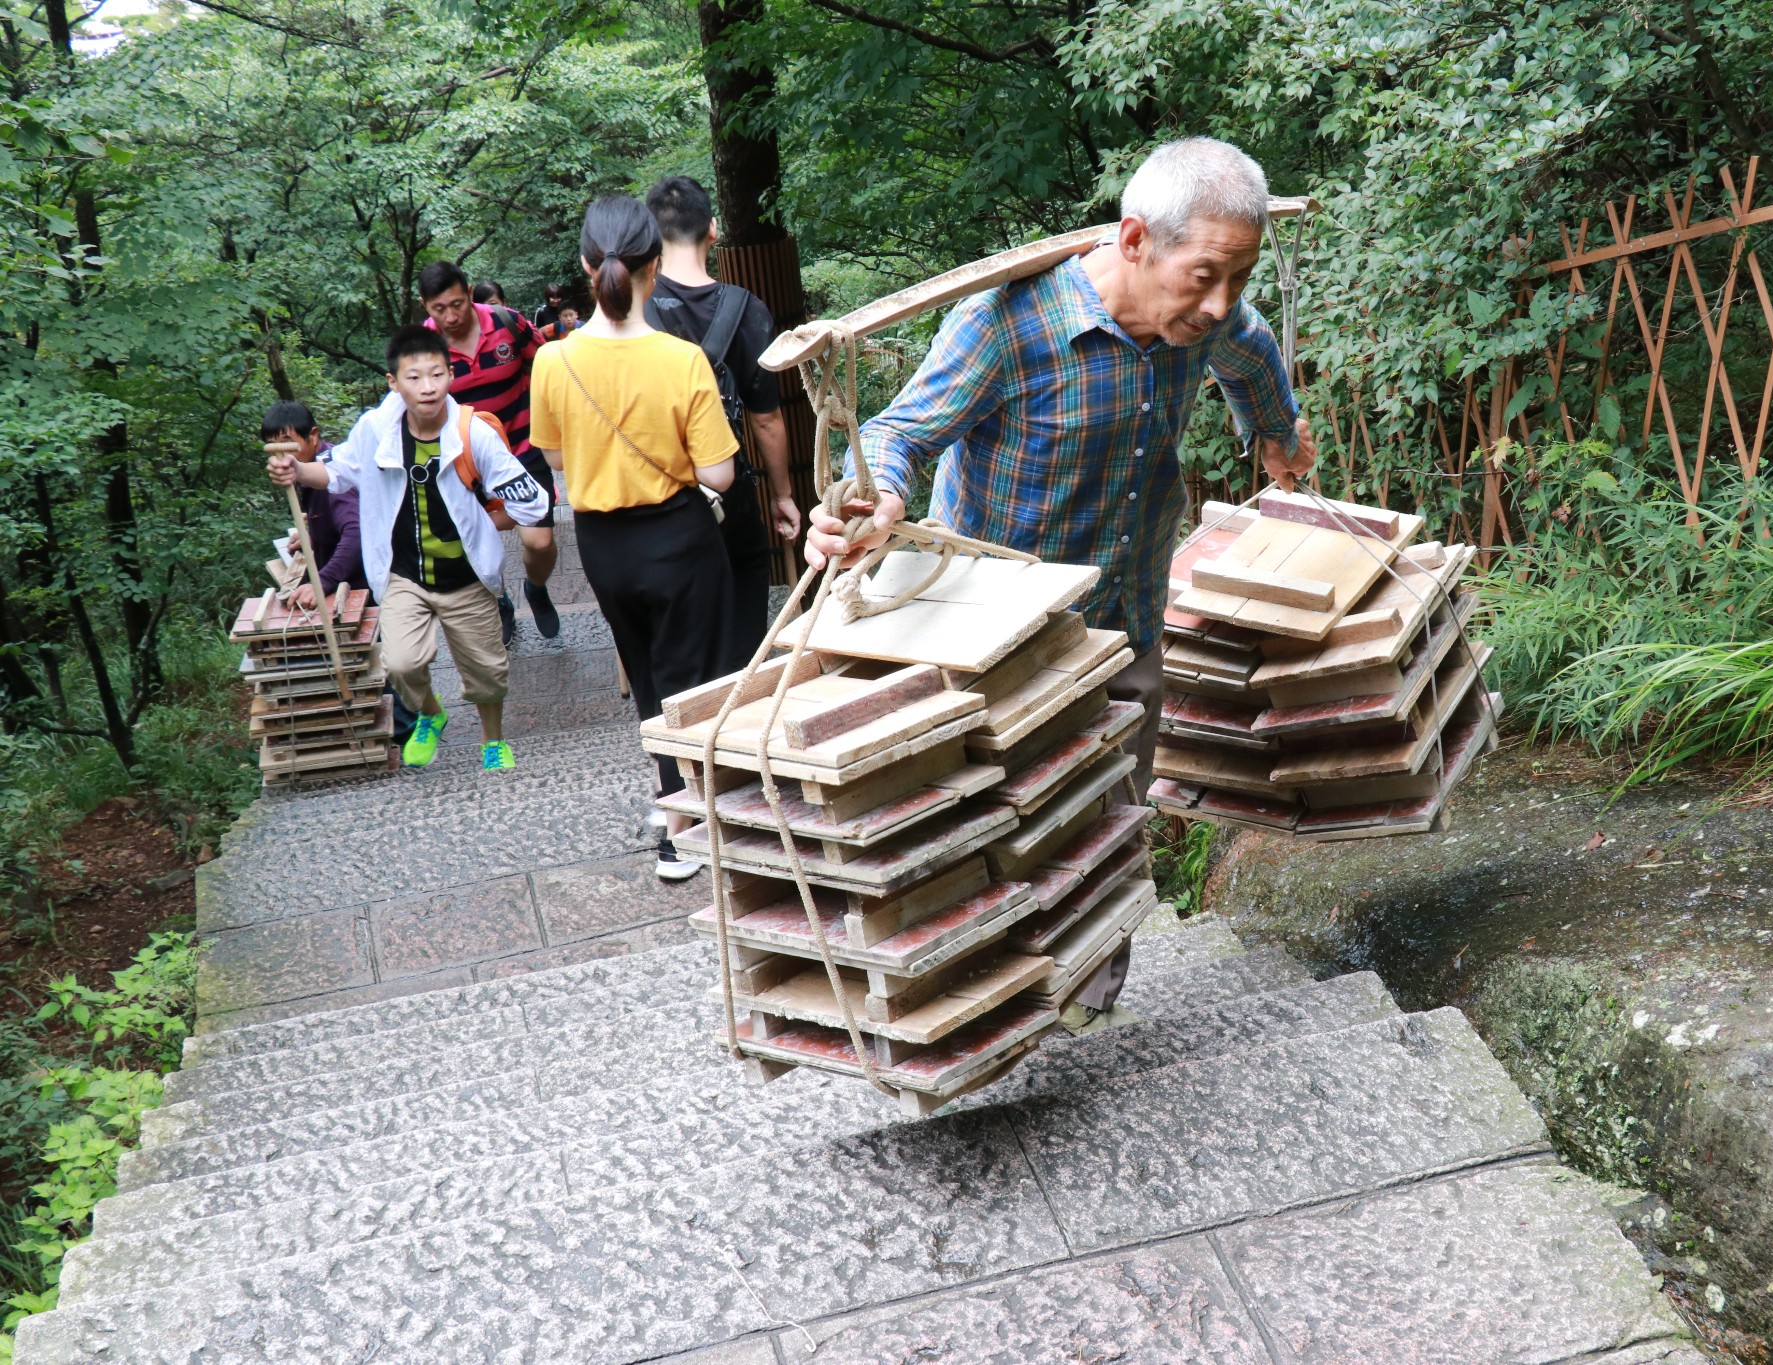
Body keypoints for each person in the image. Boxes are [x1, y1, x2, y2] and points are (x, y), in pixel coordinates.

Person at [806, 137, 1315, 1021]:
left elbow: (1254, 350)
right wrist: (876, 496)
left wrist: (1274, 429)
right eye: (1203, 275)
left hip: (1125, 628)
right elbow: (899, 432)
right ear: (1133, 241)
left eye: (1237, 276)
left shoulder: (1207, 316)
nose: (1221, 301)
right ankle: (977, 1001)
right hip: (1002, 646)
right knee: (997, 827)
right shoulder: (1009, 324)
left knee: (1108, 827)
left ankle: (1088, 1008)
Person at [530, 197, 741, 881]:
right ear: (655, 265)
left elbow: (556, 458)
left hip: (603, 546)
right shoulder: (681, 360)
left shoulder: (552, 363)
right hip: (679, 534)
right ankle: (702, 820)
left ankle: (676, 824)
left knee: (649, 676)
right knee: (698, 677)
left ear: (588, 267)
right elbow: (719, 472)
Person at [266, 326, 550, 772]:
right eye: (414, 377)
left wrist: (486, 525)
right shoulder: (375, 430)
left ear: (450, 375)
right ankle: (431, 714)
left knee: (488, 676)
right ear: (392, 382)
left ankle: (492, 740)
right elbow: (335, 474)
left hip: (466, 576)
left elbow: (532, 501)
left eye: (436, 374)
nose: (427, 387)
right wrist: (298, 471)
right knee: (400, 662)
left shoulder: (473, 433)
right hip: (402, 575)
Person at [644, 175, 803, 666]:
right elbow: (767, 420)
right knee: (743, 595)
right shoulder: (747, 309)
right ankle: (737, 702)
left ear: (650, 234)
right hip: (726, 487)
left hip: (654, 491)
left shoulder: (635, 314)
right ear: (713, 229)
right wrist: (782, 496)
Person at [418, 261, 562, 643]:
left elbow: (547, 364)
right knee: (473, 545)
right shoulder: (424, 348)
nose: (450, 316)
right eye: (438, 309)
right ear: (425, 306)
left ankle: (536, 586)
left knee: (540, 541)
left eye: (456, 304)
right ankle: (499, 601)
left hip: (523, 446)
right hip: (465, 461)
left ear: (468, 293)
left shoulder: (507, 322)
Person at [260, 400, 360, 611]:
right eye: (273, 448)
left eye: (288, 445)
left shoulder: (333, 473)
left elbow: (357, 532)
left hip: (360, 595)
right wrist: (315, 534)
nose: (282, 457)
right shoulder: (308, 472)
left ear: (313, 436)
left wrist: (322, 582)